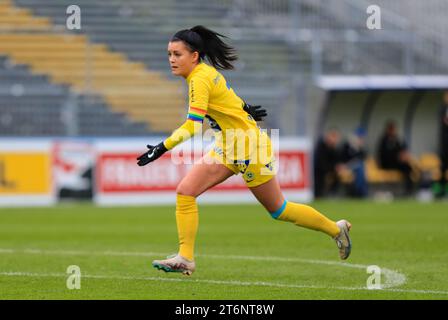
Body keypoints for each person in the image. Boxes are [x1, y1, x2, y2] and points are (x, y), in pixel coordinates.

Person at [136, 26, 351, 276]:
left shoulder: (199, 78)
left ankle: (336, 230)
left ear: (194, 56)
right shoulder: (205, 73)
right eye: (169, 54)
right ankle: (185, 257)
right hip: (229, 146)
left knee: (279, 210)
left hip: (249, 148)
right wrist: (244, 108)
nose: (171, 60)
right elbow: (225, 97)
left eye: (177, 54)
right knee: (185, 191)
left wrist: (162, 148)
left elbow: (193, 126)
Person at [377, 121, 415, 195]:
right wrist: (397, 156)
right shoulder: (384, 140)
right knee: (405, 166)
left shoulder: (397, 139)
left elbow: (403, 149)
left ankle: (409, 190)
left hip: (396, 163)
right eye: (392, 129)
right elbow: (384, 154)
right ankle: (407, 191)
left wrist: (404, 155)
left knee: (408, 167)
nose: (394, 131)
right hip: (386, 164)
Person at [313, 128, 345, 198]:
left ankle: (333, 193)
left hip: (329, 170)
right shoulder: (321, 147)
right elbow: (321, 164)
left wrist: (338, 167)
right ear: (328, 136)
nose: (335, 139)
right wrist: (334, 167)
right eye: (333, 136)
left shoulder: (334, 149)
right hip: (319, 171)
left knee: (338, 174)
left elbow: (337, 161)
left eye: (337, 137)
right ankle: (319, 194)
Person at [341, 127, 368, 198]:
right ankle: (360, 192)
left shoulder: (359, 148)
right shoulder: (347, 146)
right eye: (359, 137)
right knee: (360, 167)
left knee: (360, 167)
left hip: (356, 167)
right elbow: (344, 158)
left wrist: (359, 148)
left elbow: (363, 157)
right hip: (347, 166)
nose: (361, 139)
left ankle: (359, 190)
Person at [437, 90, 448, 197]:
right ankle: (442, 191)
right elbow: (445, 122)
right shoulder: (442, 109)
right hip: (445, 146)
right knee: (443, 169)